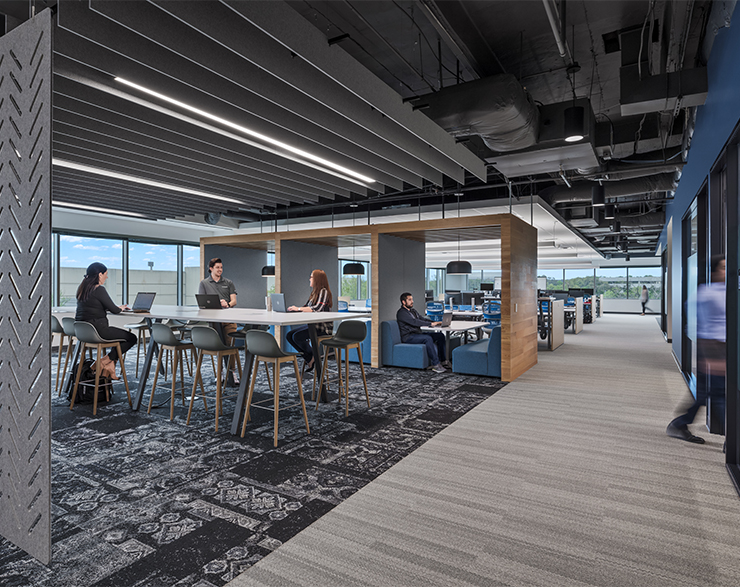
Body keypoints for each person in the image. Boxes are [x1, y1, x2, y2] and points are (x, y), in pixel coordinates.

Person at [667, 255, 726, 444]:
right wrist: (709, 354)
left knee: (707, 394)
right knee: (718, 394)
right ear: (714, 271)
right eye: (724, 267)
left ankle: (680, 423)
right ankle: (734, 440)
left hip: (725, 348)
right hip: (713, 348)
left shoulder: (728, 291)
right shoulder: (706, 293)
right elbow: (695, 324)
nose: (727, 271)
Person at [75, 262, 137, 380]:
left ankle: (110, 365)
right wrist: (121, 307)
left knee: (119, 339)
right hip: (99, 331)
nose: (107, 277)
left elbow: (94, 305)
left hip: (84, 333)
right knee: (131, 338)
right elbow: (115, 310)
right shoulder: (99, 289)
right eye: (105, 274)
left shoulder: (82, 289)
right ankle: (102, 362)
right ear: (99, 274)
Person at [199, 257, 238, 379]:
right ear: (211, 268)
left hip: (228, 318)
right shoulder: (204, 283)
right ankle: (220, 372)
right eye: (217, 267)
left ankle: (232, 372)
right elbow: (201, 303)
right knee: (218, 346)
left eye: (221, 267)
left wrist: (227, 304)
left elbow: (234, 301)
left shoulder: (228, 283)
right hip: (214, 320)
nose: (220, 269)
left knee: (230, 345)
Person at [286, 269, 333, 371]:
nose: (309, 279)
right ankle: (311, 357)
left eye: (311, 277)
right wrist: (294, 309)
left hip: (322, 327)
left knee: (297, 337)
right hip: (313, 325)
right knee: (289, 336)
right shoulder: (314, 293)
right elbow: (306, 307)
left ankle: (313, 357)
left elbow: (316, 309)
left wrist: (298, 309)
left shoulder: (323, 291)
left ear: (317, 279)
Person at [396, 292, 447, 374]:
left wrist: (435, 322)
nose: (412, 301)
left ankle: (443, 360)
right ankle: (436, 365)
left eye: (412, 299)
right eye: (409, 300)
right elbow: (414, 322)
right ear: (403, 302)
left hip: (417, 334)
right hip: (408, 337)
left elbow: (422, 319)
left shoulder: (413, 311)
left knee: (440, 335)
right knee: (428, 338)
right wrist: (430, 324)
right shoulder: (401, 313)